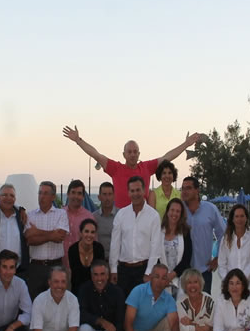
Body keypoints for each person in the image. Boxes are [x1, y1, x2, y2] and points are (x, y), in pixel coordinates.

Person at [61, 125, 202, 208]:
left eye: (135, 152)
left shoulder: (146, 167)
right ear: (124, 154)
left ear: (139, 153)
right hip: (121, 219)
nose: (133, 154)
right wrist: (78, 141)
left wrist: (186, 144)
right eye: (129, 152)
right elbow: (96, 155)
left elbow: (167, 156)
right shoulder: (116, 169)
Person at [109, 176, 163, 296]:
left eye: (138, 190)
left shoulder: (153, 216)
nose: (135, 194)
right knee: (122, 308)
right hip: (123, 271)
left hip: (143, 270)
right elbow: (115, 244)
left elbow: (155, 247)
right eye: (132, 191)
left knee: (142, 310)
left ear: (144, 191)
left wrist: (149, 272)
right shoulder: (121, 215)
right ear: (128, 193)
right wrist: (113, 269)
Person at [180, 176, 226, 292]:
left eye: (188, 188)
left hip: (204, 270)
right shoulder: (179, 209)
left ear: (197, 190)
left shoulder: (211, 209)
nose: (185, 191)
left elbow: (223, 234)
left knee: (205, 306)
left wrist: (218, 258)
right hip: (183, 270)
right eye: (183, 188)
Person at [25, 181, 69, 299]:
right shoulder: (30, 215)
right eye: (40, 193)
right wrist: (51, 235)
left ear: (53, 197)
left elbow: (59, 237)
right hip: (36, 268)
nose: (41, 196)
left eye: (45, 193)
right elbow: (30, 239)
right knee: (34, 302)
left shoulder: (61, 213)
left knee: (56, 301)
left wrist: (37, 231)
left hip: (55, 266)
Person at [0, 183, 30, 278]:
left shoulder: (21, 217)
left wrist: (21, 209)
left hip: (19, 271)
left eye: (12, 195)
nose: (8, 198)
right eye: (4, 195)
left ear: (15, 199)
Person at [218, 204, 250, 296]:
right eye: (237, 216)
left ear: (247, 218)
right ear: (232, 219)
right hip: (229, 289)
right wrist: (230, 282)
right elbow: (221, 264)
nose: (239, 219)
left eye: (242, 216)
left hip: (249, 287)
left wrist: (241, 282)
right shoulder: (226, 239)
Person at [160, 197, 193, 295]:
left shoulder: (185, 232)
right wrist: (164, 276)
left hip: (180, 281)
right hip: (162, 281)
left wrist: (172, 275)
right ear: (167, 211)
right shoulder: (158, 231)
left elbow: (187, 258)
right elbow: (155, 256)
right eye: (172, 210)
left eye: (178, 211)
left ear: (181, 214)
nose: (174, 213)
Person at [63, 179, 95, 270]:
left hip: (80, 267)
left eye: (79, 193)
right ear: (68, 194)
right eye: (73, 192)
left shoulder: (89, 217)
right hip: (61, 267)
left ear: (83, 197)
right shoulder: (59, 214)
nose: (76, 196)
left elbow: (93, 244)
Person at [67, 218, 106, 291]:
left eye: (92, 232)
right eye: (86, 231)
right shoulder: (73, 249)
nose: (89, 235)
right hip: (77, 290)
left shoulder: (99, 248)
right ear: (80, 233)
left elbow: (100, 274)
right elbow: (76, 276)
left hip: (96, 290)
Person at [93, 182, 117, 260]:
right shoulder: (93, 217)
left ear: (114, 196)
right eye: (104, 194)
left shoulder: (121, 216)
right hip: (98, 260)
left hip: (118, 262)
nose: (107, 198)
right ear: (99, 197)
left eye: (110, 194)